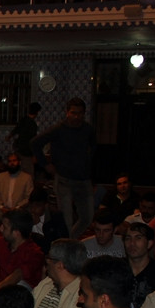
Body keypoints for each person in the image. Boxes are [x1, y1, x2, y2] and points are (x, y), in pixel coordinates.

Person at [31, 97, 96, 238]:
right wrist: (46, 164)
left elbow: (93, 150)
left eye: (79, 113)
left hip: (83, 179)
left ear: (84, 113)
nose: (76, 117)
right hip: (64, 179)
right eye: (73, 113)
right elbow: (35, 143)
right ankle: (67, 244)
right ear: (67, 113)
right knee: (66, 220)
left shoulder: (88, 129)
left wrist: (88, 168)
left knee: (87, 218)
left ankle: (70, 240)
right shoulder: (59, 129)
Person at [123, 221, 155, 308]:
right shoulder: (116, 268)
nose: (132, 243)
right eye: (128, 238)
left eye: (138, 238)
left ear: (149, 243)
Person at [0, 154, 34, 223]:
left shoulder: (27, 178)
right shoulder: (0, 176)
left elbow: (29, 197)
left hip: (19, 210)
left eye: (14, 161)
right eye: (9, 161)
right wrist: (1, 207)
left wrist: (17, 207)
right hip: (3, 210)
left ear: (19, 162)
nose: (12, 163)